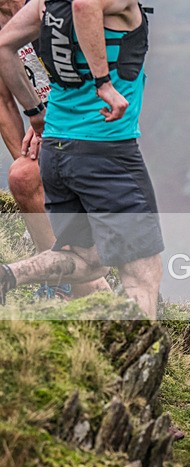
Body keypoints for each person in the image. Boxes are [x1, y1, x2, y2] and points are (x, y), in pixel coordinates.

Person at [0, 0, 162, 318]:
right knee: (143, 276)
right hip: (107, 149)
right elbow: (84, 5)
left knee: (84, 258)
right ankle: (136, 355)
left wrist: (36, 115)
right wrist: (103, 84)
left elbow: (4, 46)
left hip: (60, 146)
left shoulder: (42, 7)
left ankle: (10, 275)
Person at [0, 0, 108, 300]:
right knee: (23, 177)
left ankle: (65, 285)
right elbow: (4, 103)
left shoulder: (50, 8)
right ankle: (73, 289)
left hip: (89, 116)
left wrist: (53, 121)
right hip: (47, 127)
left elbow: (94, 75)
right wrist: (35, 166)